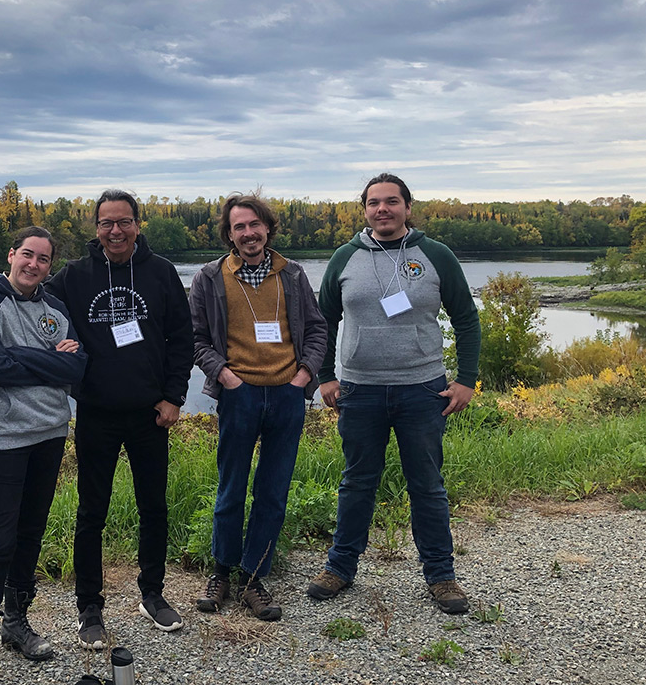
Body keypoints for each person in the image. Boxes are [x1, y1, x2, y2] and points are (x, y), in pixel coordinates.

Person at [0, 189, 194, 647]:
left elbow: (181, 337)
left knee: (154, 507)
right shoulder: (74, 276)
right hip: (95, 413)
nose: (116, 230)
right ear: (96, 228)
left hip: (152, 413)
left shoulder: (162, 272)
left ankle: (153, 593)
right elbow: (24, 288)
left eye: (124, 221)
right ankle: (89, 607)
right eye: (107, 222)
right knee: (92, 513)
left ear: (137, 224)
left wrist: (174, 397)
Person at [306, 174, 481, 614]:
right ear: (363, 209)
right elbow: (322, 321)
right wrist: (324, 376)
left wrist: (467, 379)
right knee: (356, 482)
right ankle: (340, 568)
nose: (382, 209)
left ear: (407, 206)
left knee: (427, 485)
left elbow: (466, 317)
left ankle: (441, 576)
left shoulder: (435, 254)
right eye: (373, 203)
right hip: (359, 390)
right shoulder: (345, 258)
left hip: (423, 390)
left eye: (391, 202)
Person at [190, 194, 327, 621]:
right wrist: (225, 375)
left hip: (288, 394)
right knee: (230, 488)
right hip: (240, 393)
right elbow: (195, 339)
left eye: (254, 225)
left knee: (273, 491)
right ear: (229, 234)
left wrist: (305, 374)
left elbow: (318, 329)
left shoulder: (294, 275)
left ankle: (253, 578)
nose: (248, 233)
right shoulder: (210, 277)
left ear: (267, 228)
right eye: (238, 227)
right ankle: (221, 573)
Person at [0, 226, 87, 685]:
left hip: (51, 433)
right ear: (11, 254)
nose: (33, 264)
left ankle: (17, 624)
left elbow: (77, 365)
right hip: (4, 438)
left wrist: (26, 356)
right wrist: (47, 359)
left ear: (49, 267)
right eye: (27, 255)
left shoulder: (54, 307)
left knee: (31, 531)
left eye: (43, 259)